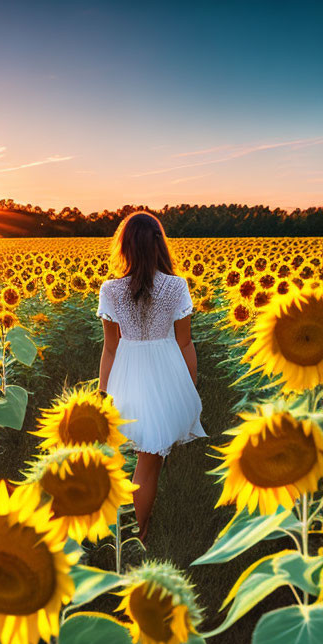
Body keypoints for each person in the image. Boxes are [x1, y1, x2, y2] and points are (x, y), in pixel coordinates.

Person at [97, 211, 207, 543]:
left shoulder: (111, 289)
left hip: (127, 371)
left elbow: (110, 348)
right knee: (150, 459)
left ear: (125, 247)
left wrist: (103, 392)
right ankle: (137, 537)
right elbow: (185, 341)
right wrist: (189, 386)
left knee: (142, 454)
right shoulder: (176, 286)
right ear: (160, 244)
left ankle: (129, 529)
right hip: (166, 371)